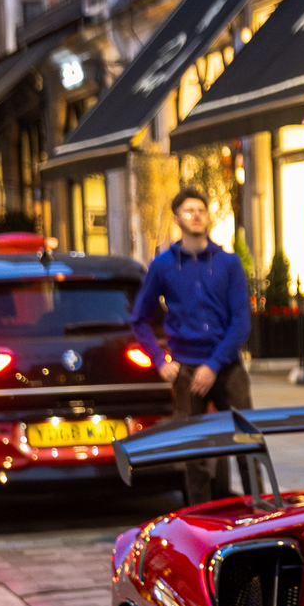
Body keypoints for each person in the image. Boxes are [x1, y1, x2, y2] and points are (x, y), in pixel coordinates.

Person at [130, 186, 253, 503]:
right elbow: (139, 319)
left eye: (201, 210)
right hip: (184, 367)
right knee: (194, 450)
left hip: (226, 367)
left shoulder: (228, 263)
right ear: (177, 219)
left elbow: (241, 321)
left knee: (247, 440)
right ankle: (199, 519)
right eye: (189, 211)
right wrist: (159, 360)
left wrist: (213, 365)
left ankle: (258, 509)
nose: (196, 216)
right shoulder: (163, 265)